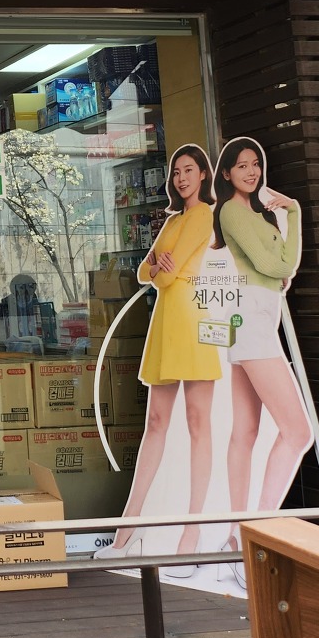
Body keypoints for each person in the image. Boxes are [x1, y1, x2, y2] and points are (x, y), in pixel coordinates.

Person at [97, 145, 219, 571]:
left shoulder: (202, 215)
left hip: (191, 319)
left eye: (189, 170)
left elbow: (163, 275)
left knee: (199, 424)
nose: (181, 178)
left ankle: (192, 535)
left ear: (203, 175)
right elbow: (143, 273)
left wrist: (158, 267)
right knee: (157, 422)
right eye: (176, 172)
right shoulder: (172, 220)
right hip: (168, 321)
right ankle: (127, 531)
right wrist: (155, 266)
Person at [213, 137, 312, 582]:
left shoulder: (257, 214)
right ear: (227, 173)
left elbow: (286, 264)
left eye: (255, 163)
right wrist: (289, 230)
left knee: (246, 432)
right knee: (297, 432)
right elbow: (277, 267)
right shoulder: (232, 211)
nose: (251, 171)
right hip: (252, 323)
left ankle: (236, 538)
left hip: (253, 321)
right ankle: (257, 533)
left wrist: (292, 213)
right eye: (241, 165)